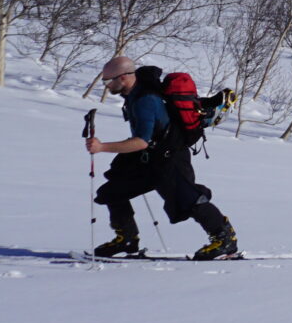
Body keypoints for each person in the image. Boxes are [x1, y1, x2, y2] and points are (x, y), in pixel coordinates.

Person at [87, 55, 239, 259]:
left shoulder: (145, 100)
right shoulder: (135, 94)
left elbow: (141, 141)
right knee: (113, 190)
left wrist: (102, 147)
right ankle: (127, 239)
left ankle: (224, 239)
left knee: (189, 200)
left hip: (170, 157)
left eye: (107, 81)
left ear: (123, 78)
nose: (106, 85)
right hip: (150, 158)